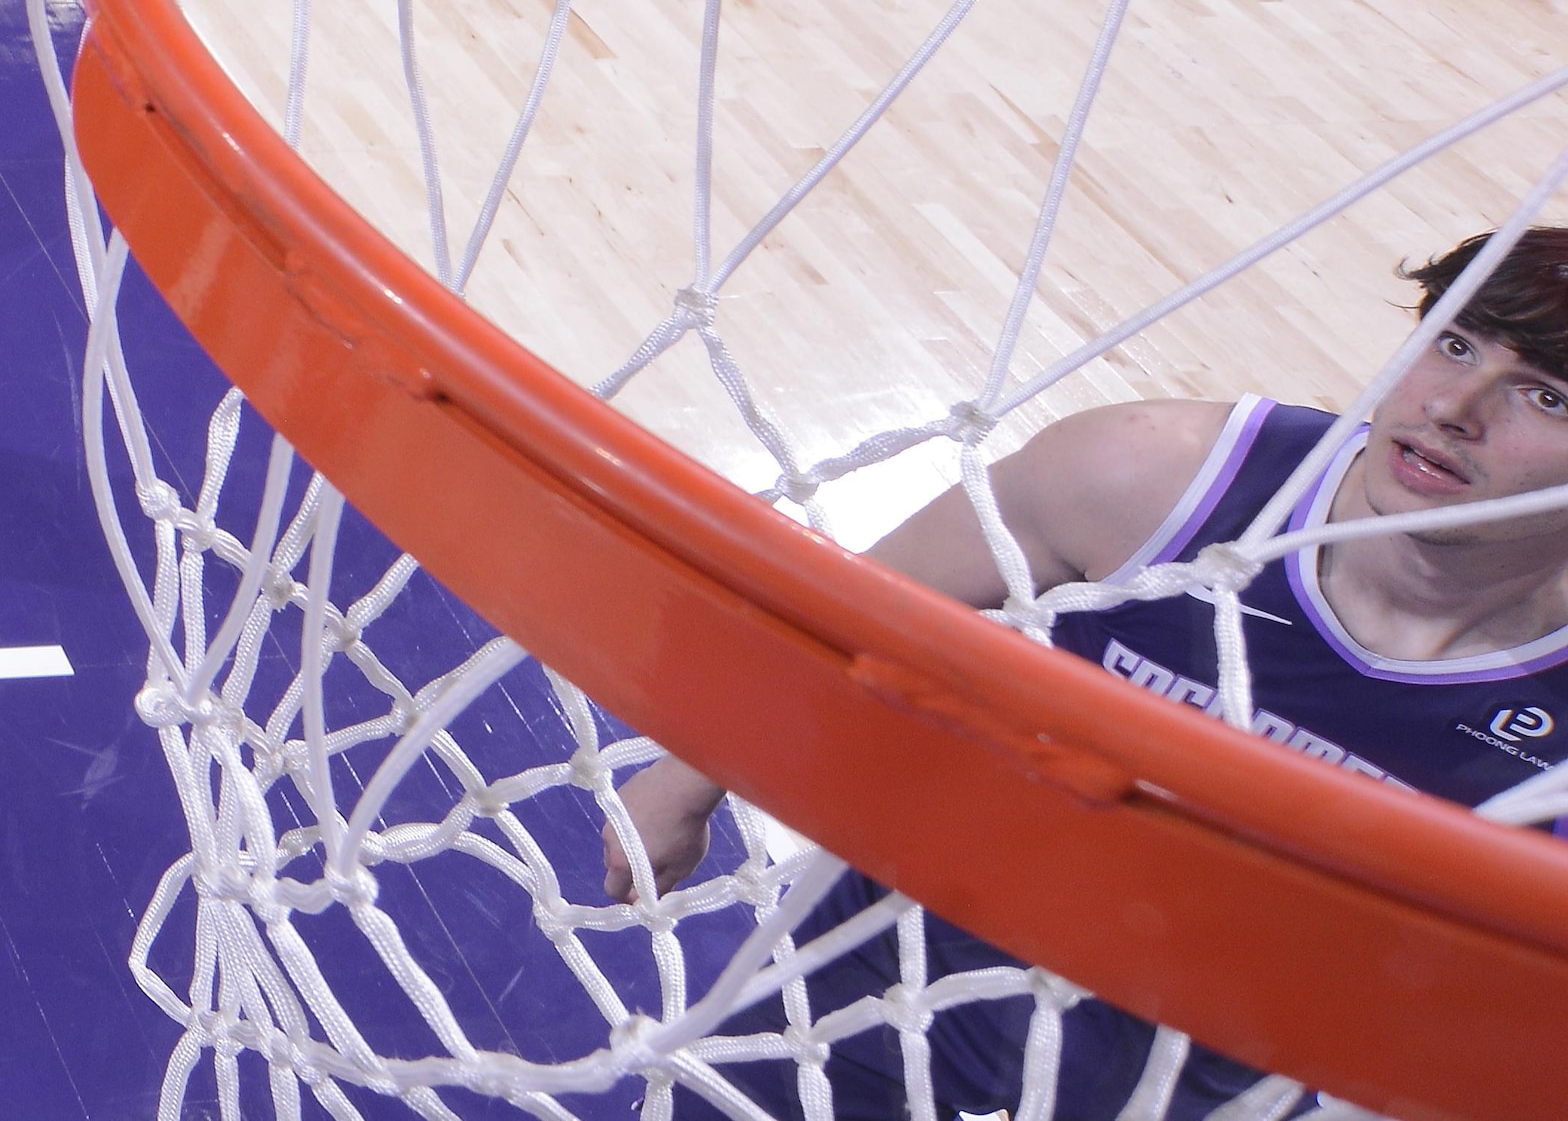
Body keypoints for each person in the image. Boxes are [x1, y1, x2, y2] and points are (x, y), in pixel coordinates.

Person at [609, 226, 1568, 1120]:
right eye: (1455, 344)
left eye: (1545, 394)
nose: (1452, 410)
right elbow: (842, 614)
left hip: (1219, 1061)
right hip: (913, 942)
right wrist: (685, 780)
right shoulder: (1155, 474)